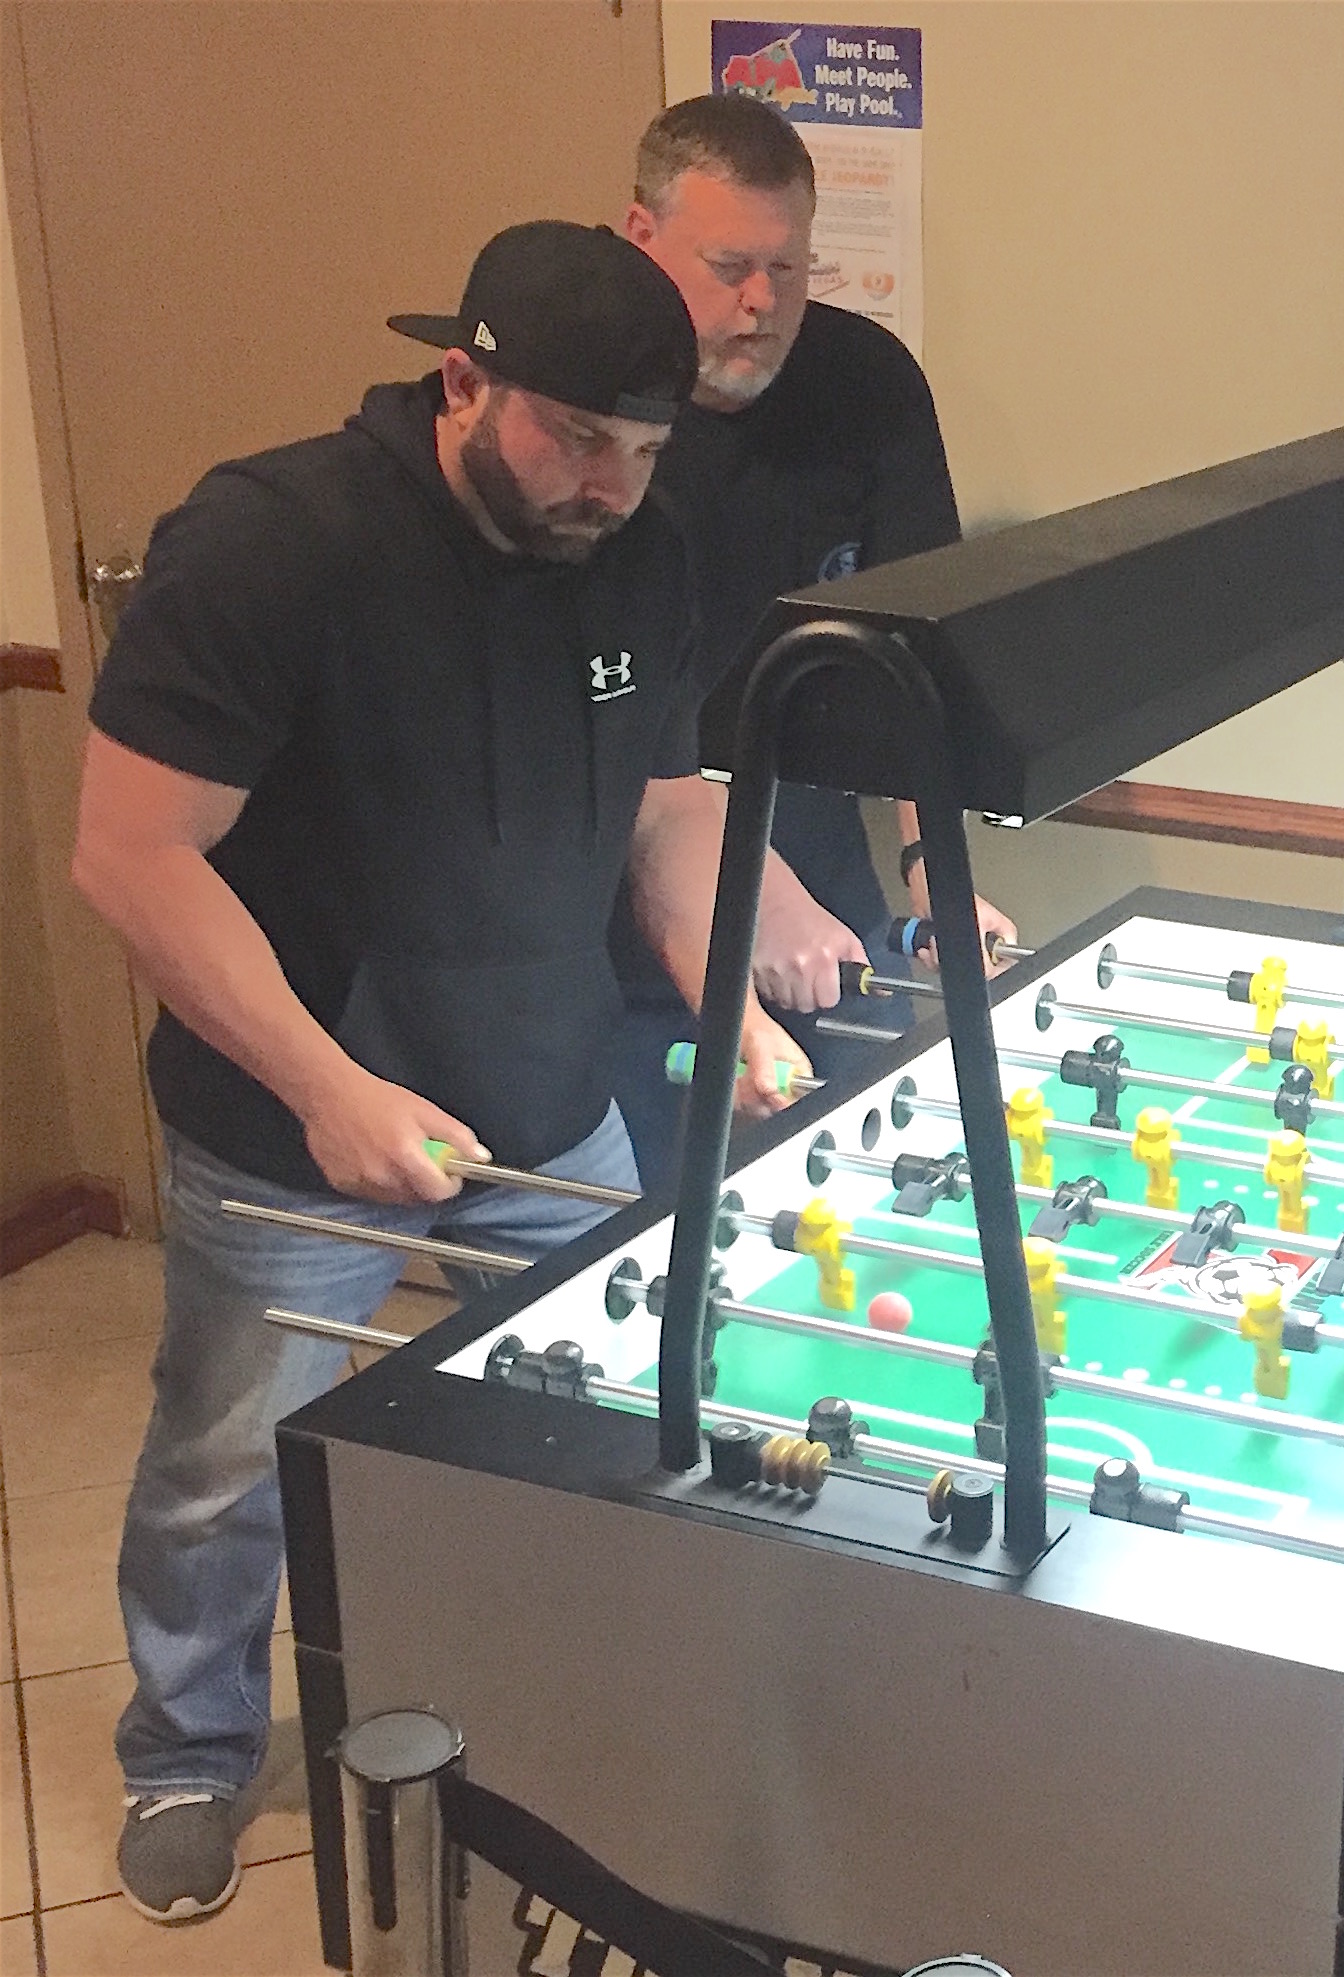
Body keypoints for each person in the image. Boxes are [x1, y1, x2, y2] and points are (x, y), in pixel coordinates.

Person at [72, 220, 810, 1924]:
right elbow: (131, 855)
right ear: (463, 380)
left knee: (626, 1423)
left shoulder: (648, 542)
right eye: (574, 437)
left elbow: (667, 802)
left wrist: (725, 993)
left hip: (551, 1087)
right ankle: (187, 1745)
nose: (608, 485)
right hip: (288, 1122)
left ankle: (574, 1729)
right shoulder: (274, 541)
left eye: (645, 447)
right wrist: (326, 1085)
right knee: (225, 1458)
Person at [609, 92, 1015, 1191]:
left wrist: (935, 857)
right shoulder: (586, 408)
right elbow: (589, 702)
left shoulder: (866, 382)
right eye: (729, 265)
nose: (761, 303)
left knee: (856, 1188)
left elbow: (911, 645)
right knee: (638, 1246)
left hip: (813, 839)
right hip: (607, 857)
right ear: (641, 240)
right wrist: (737, 895)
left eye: (786, 270)